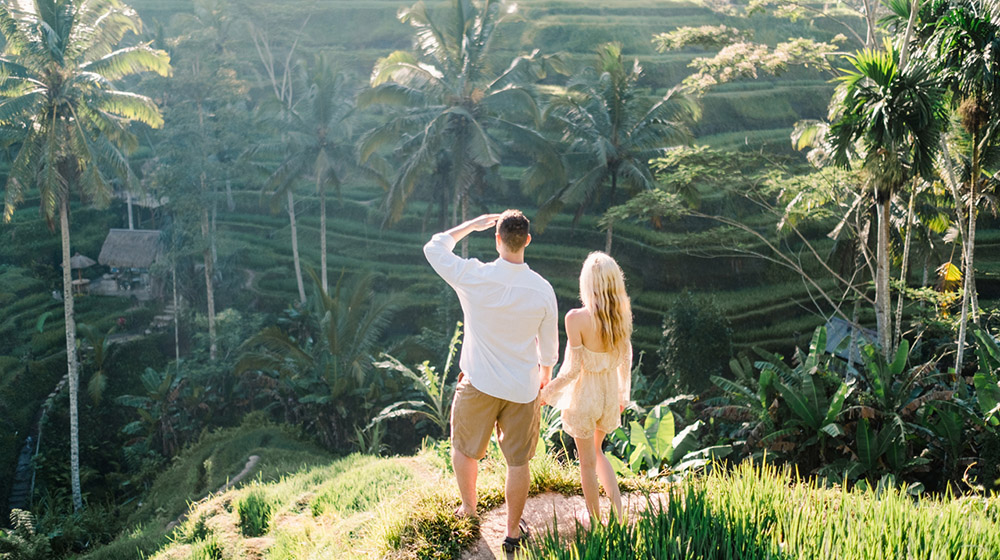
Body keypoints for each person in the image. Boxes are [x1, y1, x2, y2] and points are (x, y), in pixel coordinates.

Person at [423, 209, 559, 553]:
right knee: (518, 462)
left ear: (496, 238)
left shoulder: (473, 275)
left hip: (478, 383)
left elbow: (434, 248)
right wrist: (543, 380)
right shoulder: (542, 290)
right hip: (522, 389)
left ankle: (469, 510)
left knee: (465, 450)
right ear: (527, 240)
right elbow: (550, 351)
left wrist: (471, 224)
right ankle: (513, 532)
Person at [540, 251, 632, 524]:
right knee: (599, 452)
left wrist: (546, 393)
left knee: (586, 463)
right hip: (607, 396)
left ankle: (594, 521)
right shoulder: (622, 319)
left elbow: (572, 370)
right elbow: (625, 361)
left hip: (584, 397)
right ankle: (618, 514)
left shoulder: (576, 318)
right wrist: (622, 397)